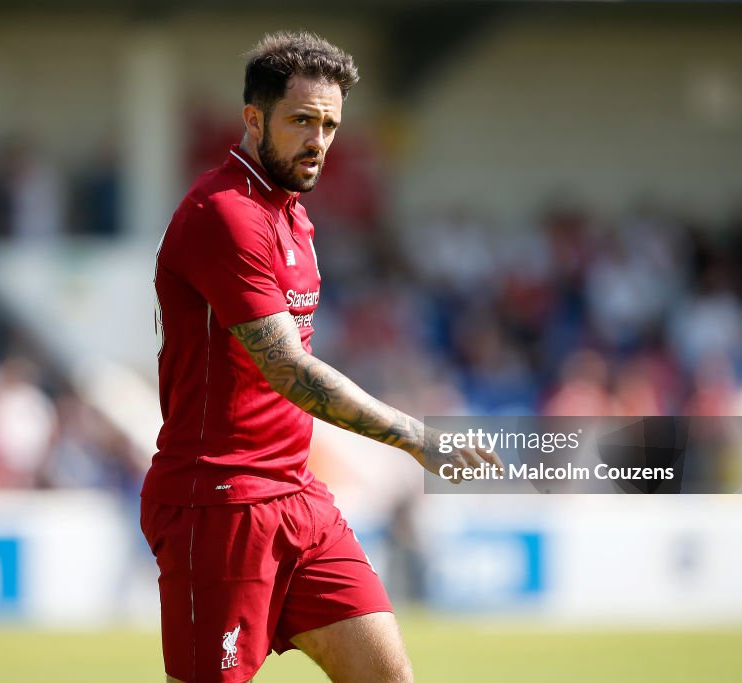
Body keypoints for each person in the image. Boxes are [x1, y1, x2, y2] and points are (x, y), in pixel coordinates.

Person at [140, 31, 498, 683]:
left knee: (389, 676)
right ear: (254, 120)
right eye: (302, 120)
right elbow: (289, 370)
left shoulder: (293, 217)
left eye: (330, 124)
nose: (319, 139)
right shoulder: (225, 213)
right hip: (220, 501)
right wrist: (416, 437)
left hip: (297, 494)